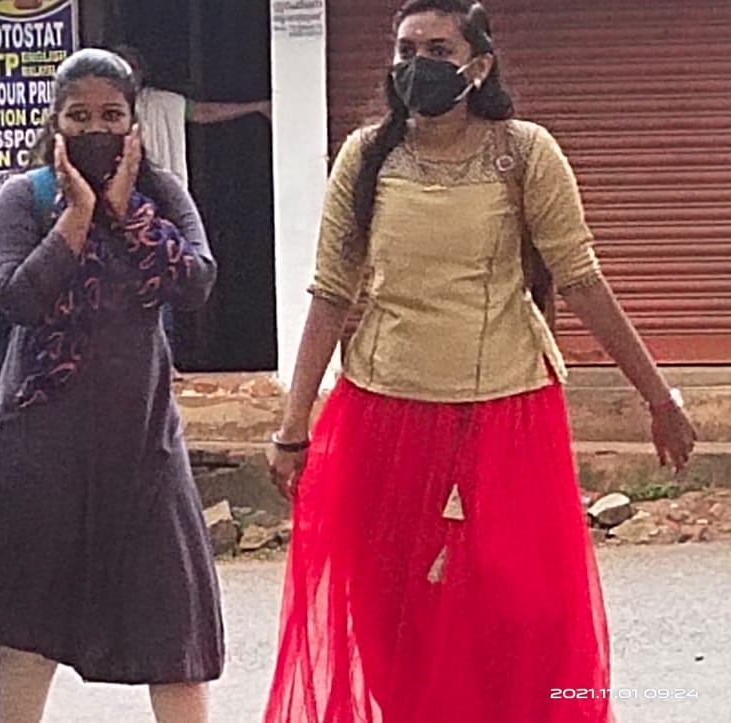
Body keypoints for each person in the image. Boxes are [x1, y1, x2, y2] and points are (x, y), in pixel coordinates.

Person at [262, 3, 698, 722]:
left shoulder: (523, 153)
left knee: (526, 612)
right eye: (406, 50)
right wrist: (292, 426)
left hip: (507, 411)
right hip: (383, 412)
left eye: (439, 48)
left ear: (480, 65)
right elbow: (331, 293)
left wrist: (659, 398)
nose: (418, 64)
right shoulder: (365, 157)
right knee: (392, 614)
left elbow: (581, 279)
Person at [0, 49, 225, 723]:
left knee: (174, 624)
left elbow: (196, 283)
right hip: (42, 442)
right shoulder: (23, 198)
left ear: (133, 122)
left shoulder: (163, 196)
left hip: (144, 442)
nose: (96, 129)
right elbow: (21, 296)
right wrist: (81, 214)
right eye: (79, 115)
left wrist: (128, 214)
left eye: (111, 115)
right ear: (54, 122)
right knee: (31, 620)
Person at [112, 44, 271, 189]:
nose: (129, 74)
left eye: (133, 67)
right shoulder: (102, 105)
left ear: (142, 73)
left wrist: (256, 107)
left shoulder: (161, 102)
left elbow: (203, 112)